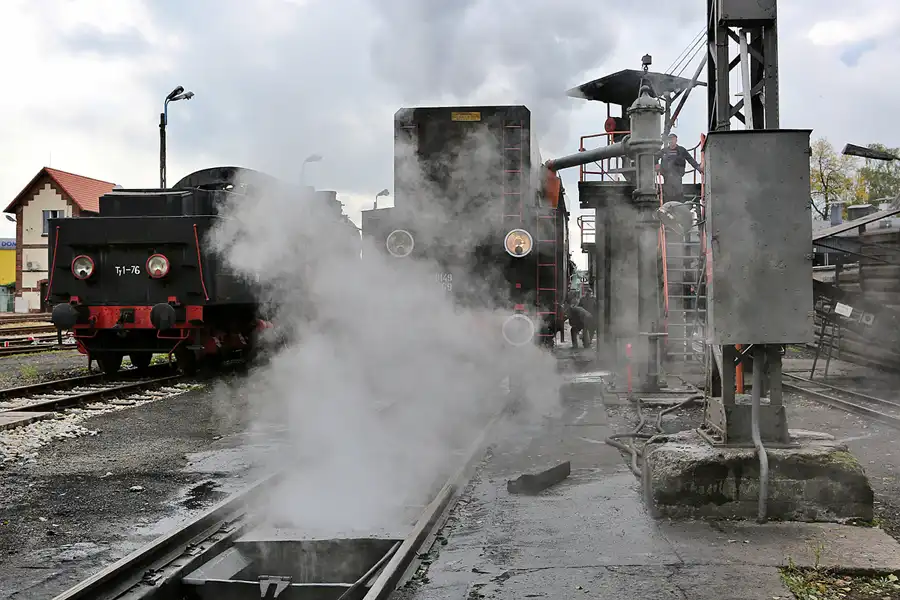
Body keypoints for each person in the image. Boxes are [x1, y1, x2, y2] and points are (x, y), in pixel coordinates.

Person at [657, 133, 702, 204]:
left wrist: (698, 167)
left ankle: (679, 206)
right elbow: (654, 157)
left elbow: (690, 159)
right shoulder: (664, 151)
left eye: (673, 139)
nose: (671, 141)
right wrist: (656, 165)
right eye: (670, 139)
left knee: (678, 193)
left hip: (677, 175)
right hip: (667, 176)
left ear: (676, 140)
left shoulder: (682, 150)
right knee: (667, 194)